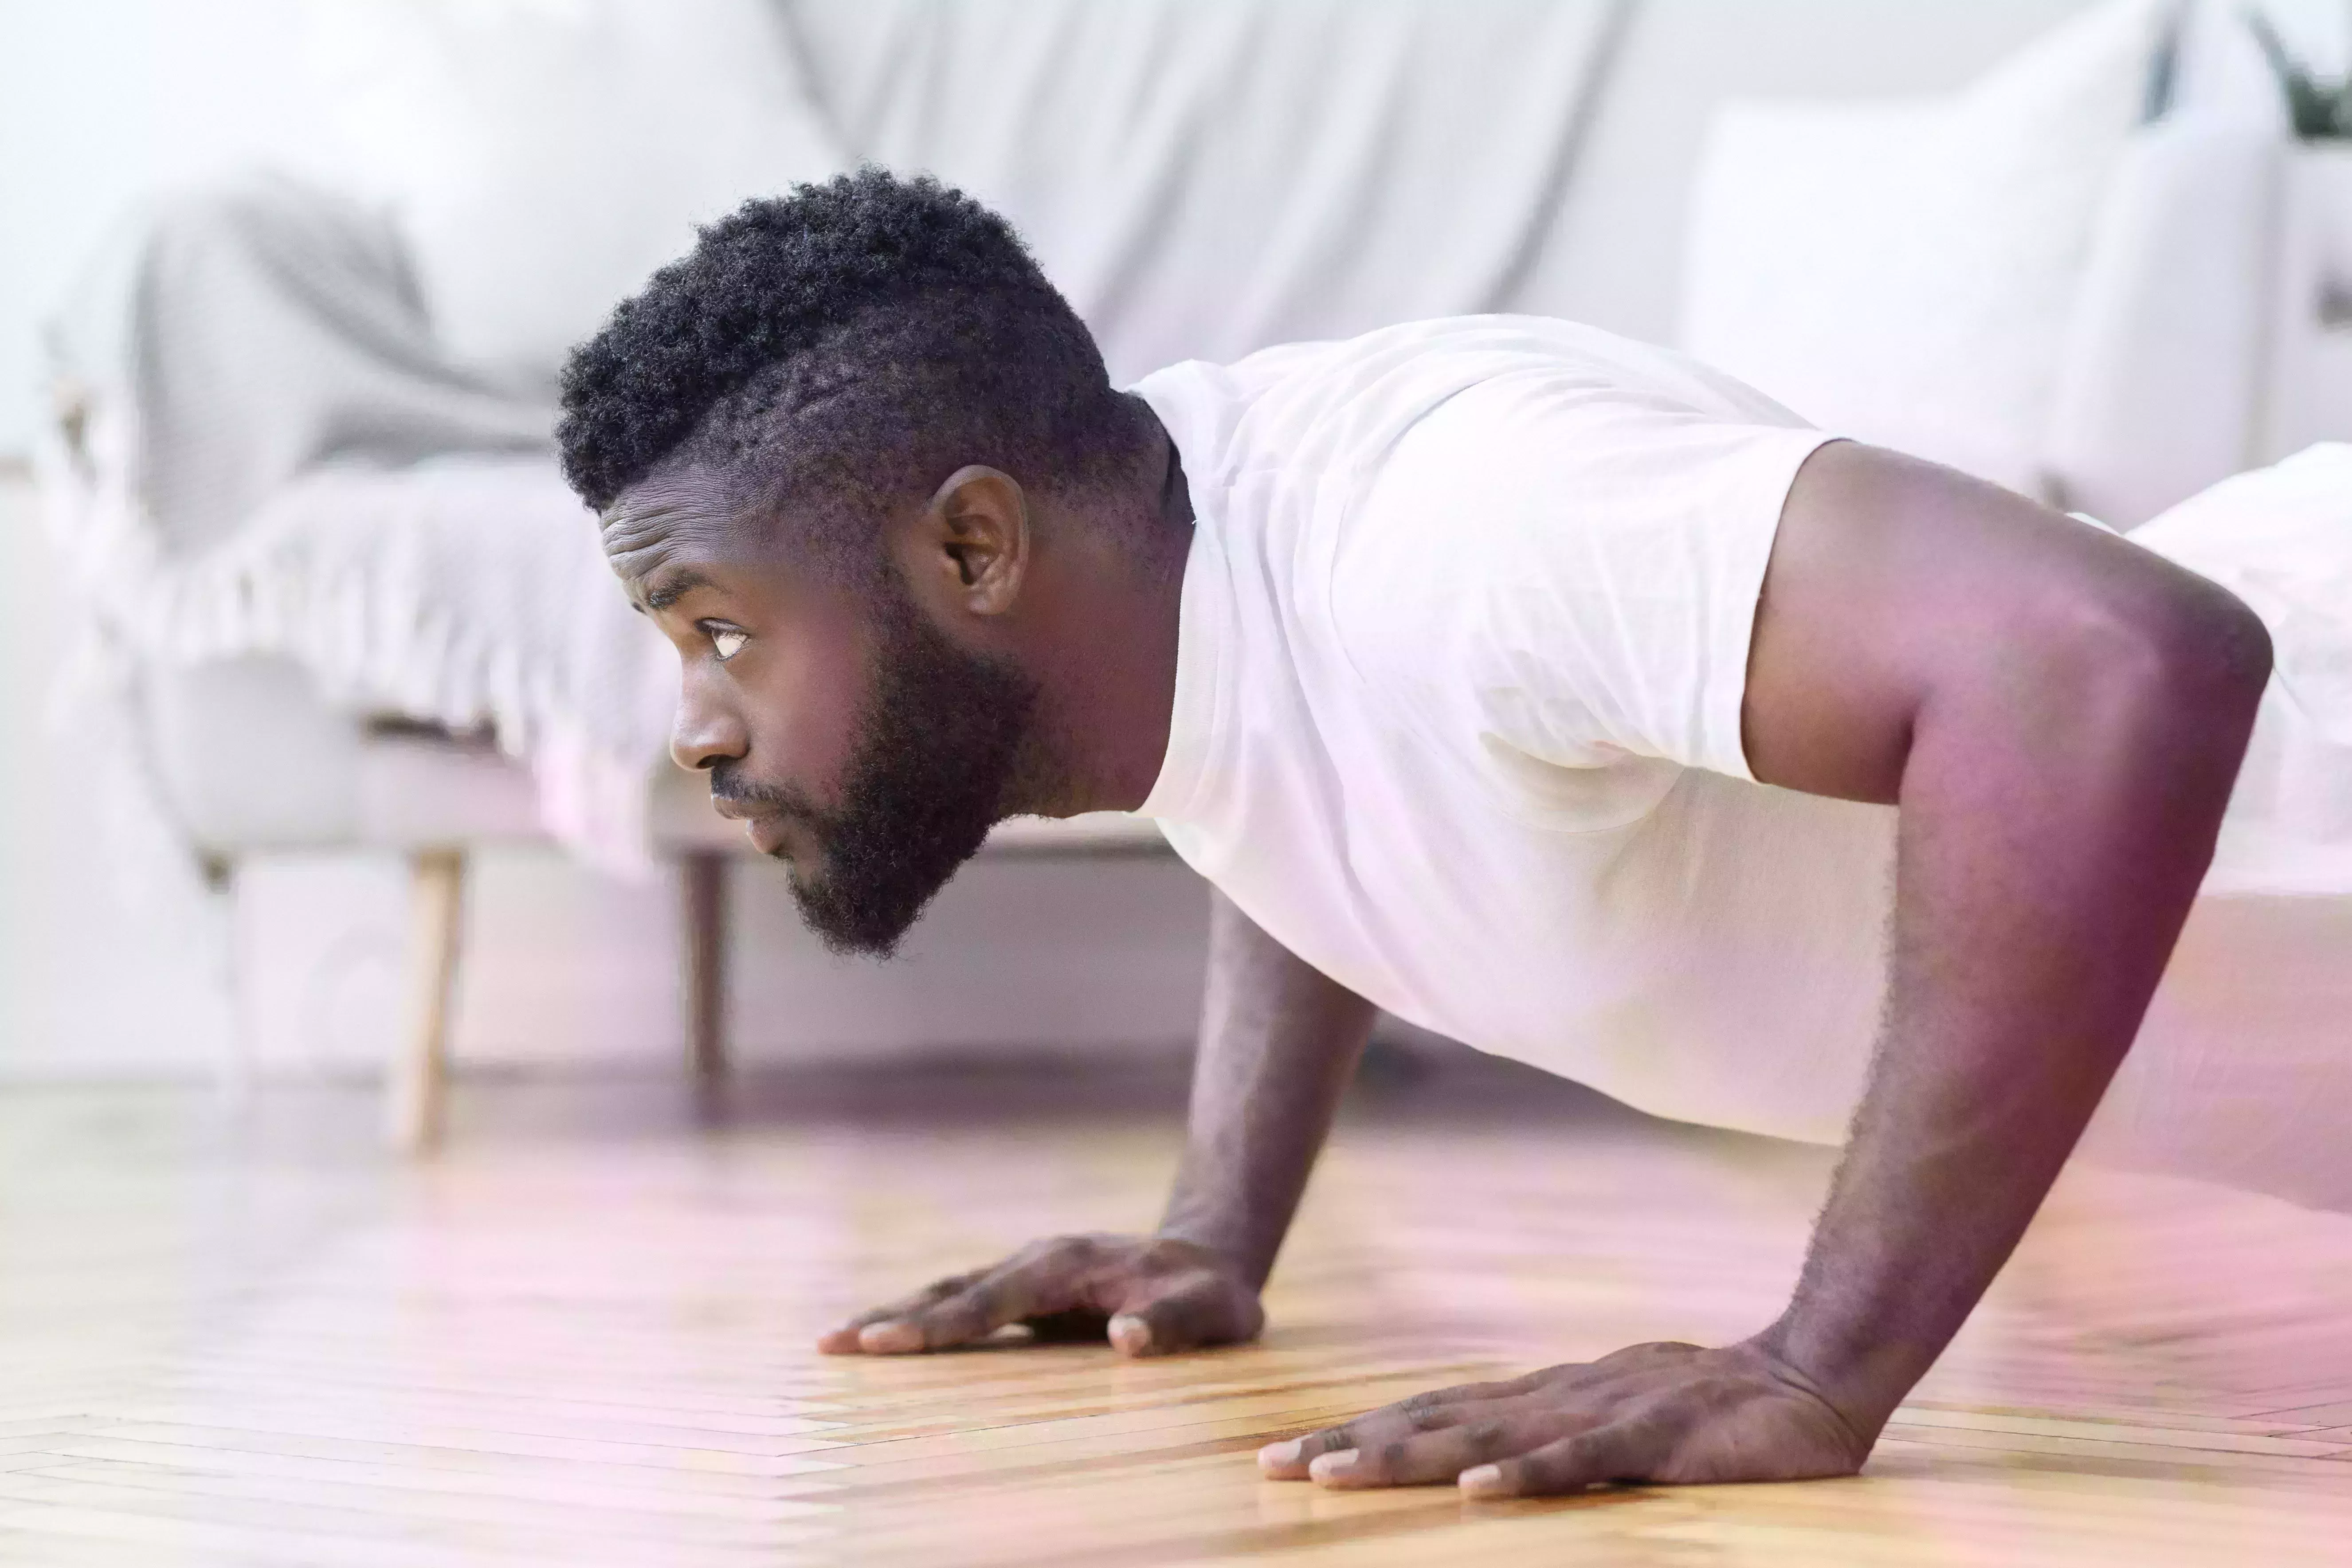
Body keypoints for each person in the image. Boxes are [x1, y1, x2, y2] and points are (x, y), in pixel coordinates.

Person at [556, 170, 2344, 1498]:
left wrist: (1820, 1362)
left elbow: (2115, 666)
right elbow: (1293, 757)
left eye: (720, 628)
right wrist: (1218, 1222)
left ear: (970, 550)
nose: (695, 726)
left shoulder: (1456, 527)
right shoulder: (1177, 568)